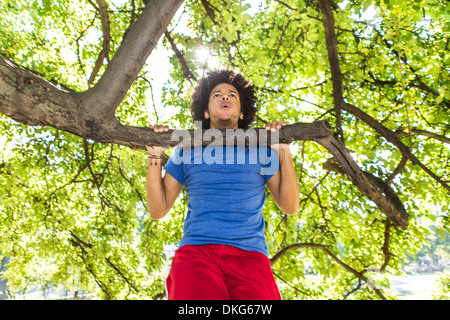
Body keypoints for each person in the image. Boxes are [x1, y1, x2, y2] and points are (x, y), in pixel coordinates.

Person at [146, 69, 299, 300]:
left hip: (250, 256)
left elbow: (289, 206)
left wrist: (283, 149)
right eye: (217, 95)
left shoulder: (262, 150)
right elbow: (158, 210)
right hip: (196, 253)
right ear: (206, 112)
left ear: (242, 111)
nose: (225, 97)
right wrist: (155, 154)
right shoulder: (187, 149)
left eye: (232, 95)